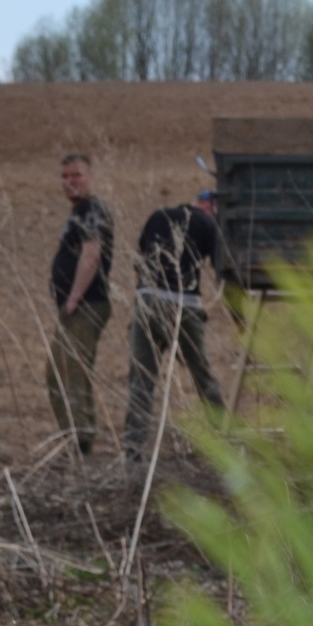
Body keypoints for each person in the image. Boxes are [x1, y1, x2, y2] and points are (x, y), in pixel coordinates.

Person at [123, 186, 228, 461]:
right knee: (202, 375)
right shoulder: (209, 223)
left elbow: (140, 260)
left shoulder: (158, 215)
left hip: (147, 302)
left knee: (141, 379)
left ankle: (133, 449)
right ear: (213, 208)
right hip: (185, 307)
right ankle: (224, 440)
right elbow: (222, 271)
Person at [46, 153, 115, 457]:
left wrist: (74, 298)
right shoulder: (79, 212)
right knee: (72, 368)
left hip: (87, 304)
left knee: (64, 368)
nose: (70, 182)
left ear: (90, 177)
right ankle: (80, 435)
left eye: (76, 175)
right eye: (65, 177)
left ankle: (79, 440)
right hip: (77, 305)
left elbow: (91, 255)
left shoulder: (93, 211)